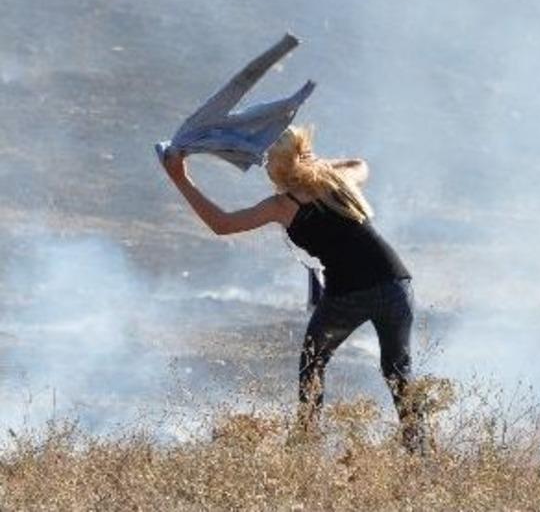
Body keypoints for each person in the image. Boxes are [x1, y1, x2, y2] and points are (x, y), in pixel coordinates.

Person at [162, 125, 418, 447]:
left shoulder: (282, 205)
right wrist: (315, 164)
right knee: (398, 372)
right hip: (394, 282)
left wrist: (180, 179)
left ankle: (305, 446)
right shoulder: (335, 179)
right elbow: (360, 164)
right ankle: (417, 450)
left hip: (348, 296)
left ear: (277, 165)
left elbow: (222, 224)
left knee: (312, 365)